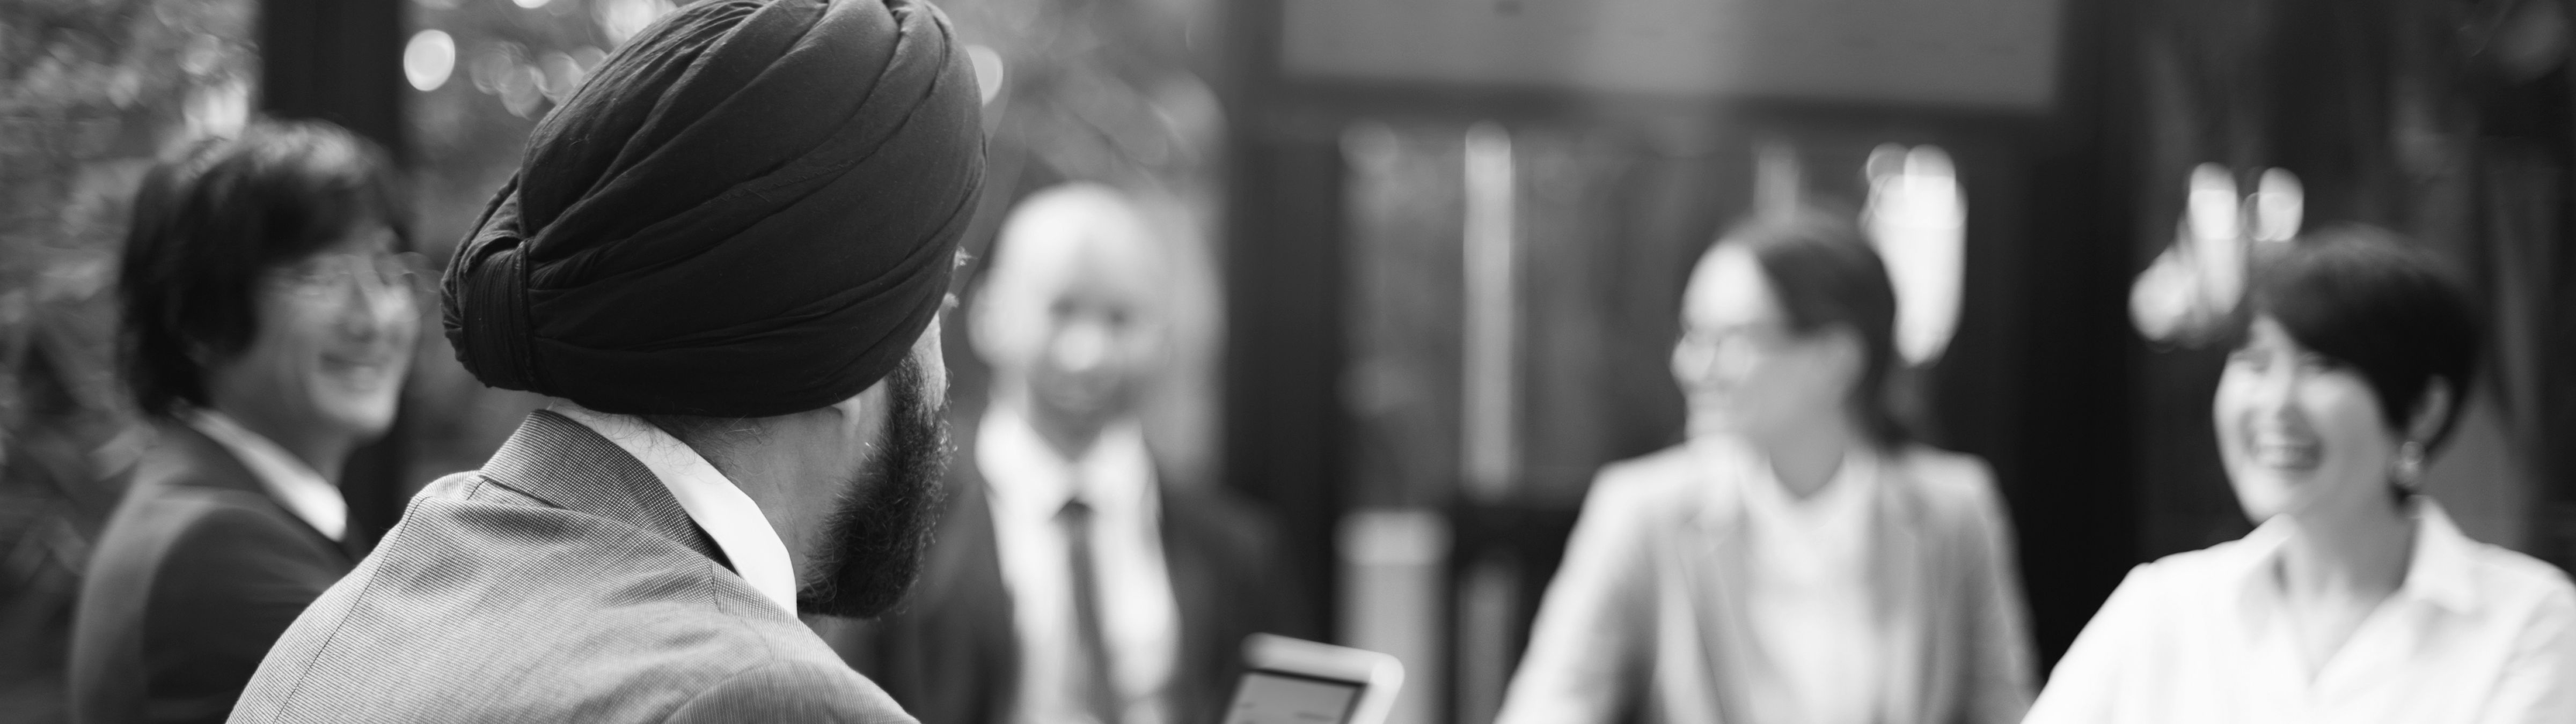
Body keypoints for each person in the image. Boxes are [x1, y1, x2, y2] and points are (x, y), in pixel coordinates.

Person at [223, 0, 985, 720]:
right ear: (851, 343)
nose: (941, 373)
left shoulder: (366, 599)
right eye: (935, 307)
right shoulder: (766, 695)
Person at [1495, 210, 2035, 724]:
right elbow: (1551, 705)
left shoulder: (1955, 509)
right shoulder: (1642, 509)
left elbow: (2005, 709)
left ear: (1836, 360)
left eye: (1728, 339)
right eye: (1691, 333)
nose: (1692, 365)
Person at [2025, 225, 2576, 723]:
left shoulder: (2528, 622)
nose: (2276, 404)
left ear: (2422, 409)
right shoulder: (2164, 607)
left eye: (2322, 367)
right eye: (2255, 362)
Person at [843, 183, 1304, 724]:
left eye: (1120, 319)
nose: (1089, 355)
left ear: (1165, 337)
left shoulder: (1240, 551)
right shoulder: (892, 530)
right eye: (1061, 310)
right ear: (990, 316)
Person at [71, 119, 420, 724]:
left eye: (389, 269)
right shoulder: (221, 554)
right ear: (201, 321)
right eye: (319, 275)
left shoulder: (201, 510)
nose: (374, 317)